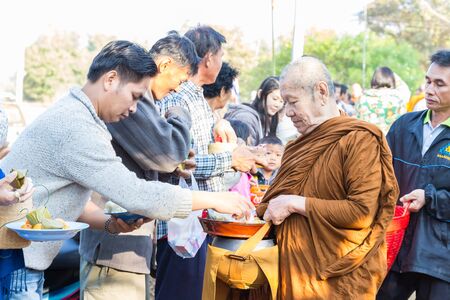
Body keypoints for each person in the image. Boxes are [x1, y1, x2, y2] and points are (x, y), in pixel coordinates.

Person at [0, 40, 252, 299]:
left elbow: (69, 197)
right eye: (135, 97)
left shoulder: (78, 114)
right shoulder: (77, 127)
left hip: (21, 261)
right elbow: (135, 193)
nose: (134, 109)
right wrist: (215, 200)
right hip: (16, 264)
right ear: (110, 80)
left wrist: (111, 223)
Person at [256, 56, 399, 299]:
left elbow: (361, 212)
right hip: (293, 275)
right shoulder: (295, 147)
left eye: (292, 102)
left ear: (321, 91)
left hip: (337, 279)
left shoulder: (359, 140)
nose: (287, 112)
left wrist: (294, 203)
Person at [78, 33, 199, 300]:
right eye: (180, 80)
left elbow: (155, 162)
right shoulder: (131, 98)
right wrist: (179, 115)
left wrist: (171, 168)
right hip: (113, 251)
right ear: (165, 65)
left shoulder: (136, 99)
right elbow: (168, 153)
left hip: (122, 249)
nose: (178, 90)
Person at [157, 25, 260, 300]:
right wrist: (231, 158)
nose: (221, 61)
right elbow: (179, 163)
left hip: (195, 224)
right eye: (221, 55)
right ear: (209, 59)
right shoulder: (181, 98)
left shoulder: (196, 99)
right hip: (181, 226)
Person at [377, 50, 450, 300]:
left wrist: (429, 197)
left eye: (440, 84)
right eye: (428, 81)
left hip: (441, 257)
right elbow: (379, 175)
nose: (429, 89)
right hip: (396, 246)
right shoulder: (403, 126)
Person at [225, 76, 284, 145]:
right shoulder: (247, 118)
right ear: (260, 94)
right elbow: (244, 151)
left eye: (282, 101)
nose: (277, 105)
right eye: (274, 99)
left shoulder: (266, 119)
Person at [356, 67, 407, 134]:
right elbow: (403, 126)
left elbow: (358, 124)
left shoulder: (362, 99)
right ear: (391, 79)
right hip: (392, 142)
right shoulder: (399, 99)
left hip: (368, 142)